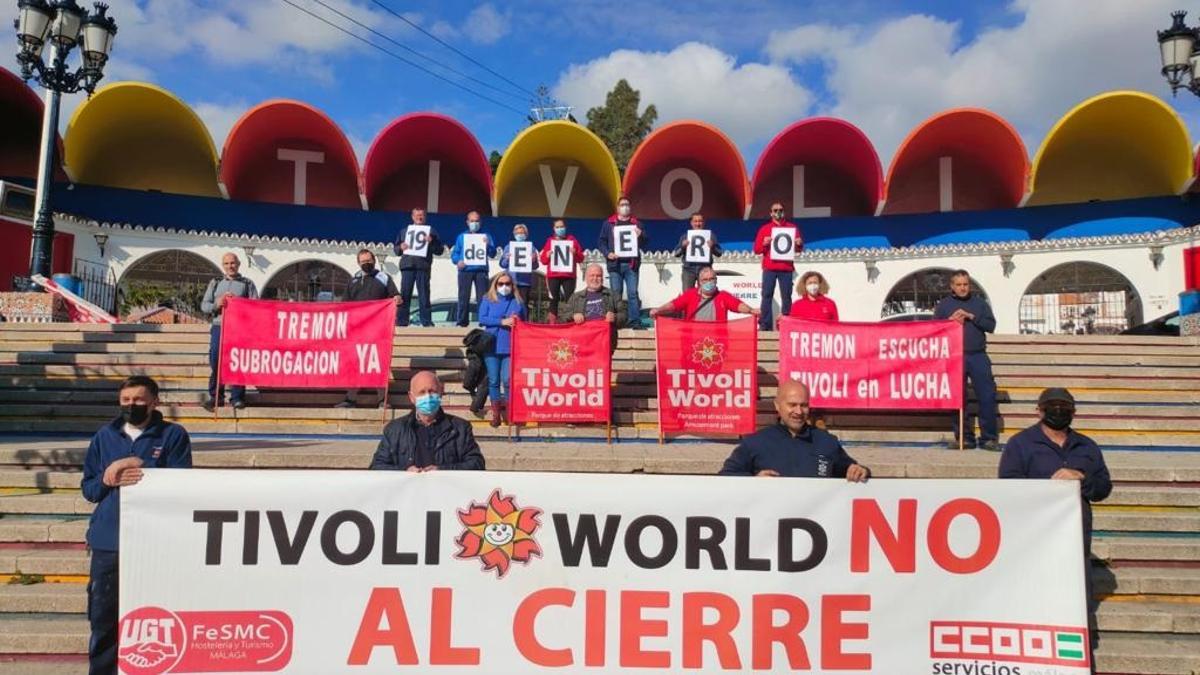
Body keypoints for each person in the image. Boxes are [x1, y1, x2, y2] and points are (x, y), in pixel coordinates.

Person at [82, 375, 192, 675]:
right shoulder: (104, 436)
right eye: (126, 400)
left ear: (154, 401)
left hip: (155, 541)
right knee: (103, 619)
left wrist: (141, 467)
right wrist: (111, 474)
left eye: (139, 400)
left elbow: (183, 484)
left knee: (155, 620)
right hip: (109, 542)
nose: (132, 405)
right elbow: (90, 490)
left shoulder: (173, 435)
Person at [999, 387, 1111, 659]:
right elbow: (1008, 486)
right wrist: (1046, 488)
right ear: (1038, 410)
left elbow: (1104, 487)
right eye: (1052, 406)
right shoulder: (1020, 444)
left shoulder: (1087, 445)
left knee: (1076, 597)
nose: (1058, 411)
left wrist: (1081, 478)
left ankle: (1074, 654)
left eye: (1064, 407)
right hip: (1034, 538)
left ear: (1074, 413)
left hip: (1075, 537)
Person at [719, 379, 870, 480]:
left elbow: (853, 469)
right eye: (792, 405)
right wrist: (754, 480)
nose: (798, 411)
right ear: (777, 406)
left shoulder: (826, 442)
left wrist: (860, 471)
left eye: (803, 405)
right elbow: (725, 477)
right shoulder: (755, 442)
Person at [934, 269, 999, 450]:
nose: (963, 288)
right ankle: (964, 437)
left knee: (987, 396)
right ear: (952, 286)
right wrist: (949, 321)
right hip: (954, 356)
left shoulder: (980, 304)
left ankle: (988, 438)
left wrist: (972, 317)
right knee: (957, 398)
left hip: (978, 355)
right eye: (959, 285)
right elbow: (935, 329)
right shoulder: (944, 305)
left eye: (965, 284)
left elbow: (991, 326)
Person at [369, 370, 486, 471]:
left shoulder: (460, 428)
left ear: (441, 392)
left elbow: (477, 464)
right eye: (422, 392)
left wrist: (442, 470)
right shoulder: (394, 430)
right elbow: (377, 466)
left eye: (432, 391)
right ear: (411, 397)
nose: (428, 396)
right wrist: (404, 471)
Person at [336, 249, 401, 409]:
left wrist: (397, 299)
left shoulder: (384, 278)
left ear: (374, 260)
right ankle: (350, 398)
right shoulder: (354, 280)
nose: (366, 264)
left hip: (378, 331)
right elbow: (345, 304)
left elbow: (395, 296)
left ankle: (382, 400)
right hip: (357, 331)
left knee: (377, 363)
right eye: (363, 261)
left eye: (369, 261)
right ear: (358, 263)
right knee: (355, 365)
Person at [200, 252, 258, 411]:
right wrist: (217, 304)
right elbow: (204, 306)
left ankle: (237, 397)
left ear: (238, 264)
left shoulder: (247, 283)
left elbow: (255, 307)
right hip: (219, 325)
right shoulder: (215, 282)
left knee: (237, 361)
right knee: (216, 360)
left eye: (232, 263)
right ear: (222, 265)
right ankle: (215, 397)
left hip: (238, 327)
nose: (230, 266)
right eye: (226, 263)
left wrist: (239, 304)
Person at [478, 272, 525, 427]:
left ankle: (511, 411)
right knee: (494, 380)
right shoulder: (488, 299)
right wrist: (501, 321)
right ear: (495, 285)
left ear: (512, 286)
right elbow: (482, 318)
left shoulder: (518, 301)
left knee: (508, 380)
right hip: (491, 345)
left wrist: (517, 321)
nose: (504, 286)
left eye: (507, 283)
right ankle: (496, 413)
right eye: (501, 283)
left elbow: (525, 321)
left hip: (510, 346)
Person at [597, 195, 648, 328]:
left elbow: (646, 243)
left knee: (632, 293)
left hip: (631, 265)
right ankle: (617, 321)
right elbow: (601, 242)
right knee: (616, 294)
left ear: (630, 207)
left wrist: (640, 235)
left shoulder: (637, 223)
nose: (625, 207)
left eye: (627, 204)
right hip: (615, 265)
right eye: (622, 205)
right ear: (618, 207)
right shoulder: (609, 223)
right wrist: (608, 253)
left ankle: (634, 321)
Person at [753, 202, 804, 331]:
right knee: (766, 295)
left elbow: (798, 250)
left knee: (786, 296)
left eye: (780, 210)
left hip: (786, 268)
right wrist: (764, 243)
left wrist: (799, 244)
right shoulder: (764, 229)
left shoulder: (792, 228)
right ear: (771, 213)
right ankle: (765, 325)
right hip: (769, 267)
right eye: (775, 210)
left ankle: (786, 323)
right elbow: (757, 250)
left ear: (784, 212)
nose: (778, 212)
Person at [394, 207, 445, 327]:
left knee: (424, 295)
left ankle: (426, 321)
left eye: (421, 215)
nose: (419, 218)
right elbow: (396, 250)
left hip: (423, 266)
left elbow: (440, 250)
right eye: (417, 215)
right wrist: (401, 247)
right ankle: (402, 321)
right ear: (412, 217)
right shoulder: (404, 231)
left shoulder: (431, 231)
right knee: (405, 294)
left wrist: (431, 242)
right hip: (408, 266)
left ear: (425, 217)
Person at [648, 266, 759, 322]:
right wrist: (658, 310)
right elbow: (674, 305)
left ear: (716, 280)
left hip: (717, 340)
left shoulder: (723, 296)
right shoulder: (690, 295)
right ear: (699, 282)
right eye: (705, 280)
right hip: (694, 338)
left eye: (711, 279)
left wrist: (752, 310)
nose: (708, 282)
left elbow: (738, 305)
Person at [561, 263, 626, 354]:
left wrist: (615, 317)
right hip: (581, 345)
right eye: (592, 275)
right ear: (586, 278)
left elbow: (624, 316)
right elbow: (562, 318)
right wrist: (573, 316)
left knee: (603, 368)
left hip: (605, 345)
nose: (595, 278)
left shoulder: (612, 295)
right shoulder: (576, 297)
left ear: (602, 278)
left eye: (598, 276)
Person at [450, 210, 495, 327]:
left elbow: (493, 254)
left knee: (483, 298)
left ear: (480, 222)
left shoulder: (486, 236)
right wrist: (457, 261)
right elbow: (455, 254)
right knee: (463, 297)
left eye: (477, 221)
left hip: (481, 270)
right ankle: (462, 321)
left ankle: (483, 321)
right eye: (472, 221)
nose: (474, 223)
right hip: (465, 271)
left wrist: (488, 245)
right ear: (467, 222)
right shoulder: (461, 237)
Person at [539, 218, 584, 323]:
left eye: (562, 226)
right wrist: (547, 255)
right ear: (554, 229)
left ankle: (569, 321)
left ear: (565, 227)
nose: (560, 229)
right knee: (553, 299)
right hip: (553, 275)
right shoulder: (550, 241)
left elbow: (581, 258)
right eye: (557, 227)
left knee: (570, 299)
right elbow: (543, 260)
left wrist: (575, 253)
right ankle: (552, 323)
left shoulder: (572, 240)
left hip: (569, 275)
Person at [673, 212, 723, 291]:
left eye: (700, 221)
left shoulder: (710, 236)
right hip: (688, 270)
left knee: (706, 293)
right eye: (695, 221)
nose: (698, 223)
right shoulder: (685, 236)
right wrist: (683, 247)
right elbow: (676, 254)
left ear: (704, 222)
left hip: (705, 270)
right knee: (687, 295)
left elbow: (719, 253)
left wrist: (712, 246)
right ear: (691, 223)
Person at [499, 223, 539, 303]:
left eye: (522, 233)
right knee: (509, 305)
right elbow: (502, 265)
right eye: (517, 233)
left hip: (525, 282)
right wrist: (506, 259)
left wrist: (534, 260)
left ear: (526, 235)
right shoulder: (508, 247)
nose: (520, 235)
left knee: (523, 306)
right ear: (514, 234)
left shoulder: (531, 247)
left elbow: (535, 266)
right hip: (511, 281)